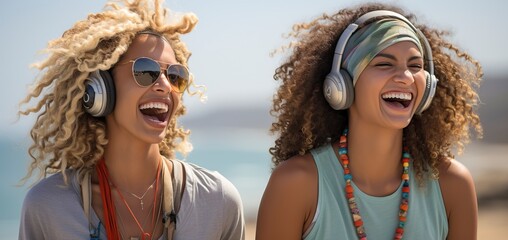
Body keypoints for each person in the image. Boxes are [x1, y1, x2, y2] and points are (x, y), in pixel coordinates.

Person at [18, 0, 245, 239]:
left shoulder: (218, 201)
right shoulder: (47, 207)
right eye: (146, 72)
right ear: (99, 89)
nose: (165, 86)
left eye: (175, 75)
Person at [256, 2, 482, 240]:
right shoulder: (295, 185)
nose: (406, 77)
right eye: (384, 63)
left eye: (415, 66)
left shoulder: (452, 185)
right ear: (341, 85)